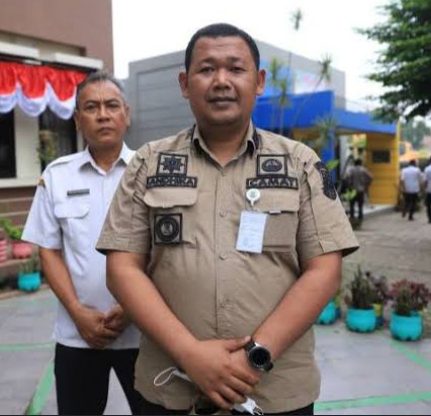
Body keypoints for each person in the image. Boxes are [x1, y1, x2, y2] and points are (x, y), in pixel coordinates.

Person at [97, 24, 359, 415]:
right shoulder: (149, 163)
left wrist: (254, 356)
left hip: (275, 391)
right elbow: (122, 269)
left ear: (259, 81)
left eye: (236, 68)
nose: (221, 81)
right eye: (206, 69)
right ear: (185, 84)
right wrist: (190, 353)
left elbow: (324, 270)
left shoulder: (300, 163)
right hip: (172, 388)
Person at [22, 71, 143, 415]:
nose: (103, 115)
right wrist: (77, 312)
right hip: (78, 336)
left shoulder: (150, 172)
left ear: (126, 114)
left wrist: (133, 308)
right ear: (77, 119)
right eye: (91, 107)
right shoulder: (57, 176)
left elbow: (166, 251)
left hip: (146, 332)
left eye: (111, 105)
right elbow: (48, 251)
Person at [424, 157, 431, 223]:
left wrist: (424, 188)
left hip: (429, 190)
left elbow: (425, 181)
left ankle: (429, 218)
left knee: (428, 205)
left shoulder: (427, 169)